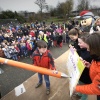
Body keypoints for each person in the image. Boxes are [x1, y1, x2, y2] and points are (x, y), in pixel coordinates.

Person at [75, 32, 100, 100]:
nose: (88, 50)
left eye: (90, 48)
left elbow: (95, 88)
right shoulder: (96, 58)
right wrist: (90, 66)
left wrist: (75, 88)